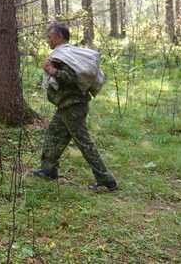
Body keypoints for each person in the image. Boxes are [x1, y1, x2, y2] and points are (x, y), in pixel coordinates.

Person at [32, 22, 118, 192]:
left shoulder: (65, 56)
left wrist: (52, 71)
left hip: (73, 107)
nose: (48, 40)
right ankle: (48, 170)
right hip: (67, 106)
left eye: (50, 36)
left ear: (58, 37)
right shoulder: (67, 53)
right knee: (54, 134)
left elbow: (70, 78)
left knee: (84, 142)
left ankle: (106, 179)